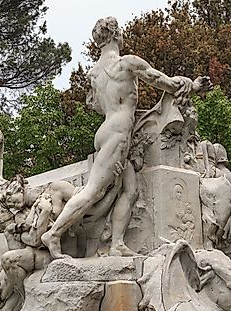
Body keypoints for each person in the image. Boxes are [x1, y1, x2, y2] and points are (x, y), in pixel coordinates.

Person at [41, 16, 209, 259]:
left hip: (107, 131)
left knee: (130, 191)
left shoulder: (95, 74)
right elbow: (160, 80)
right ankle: (54, 234)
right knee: (93, 191)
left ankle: (117, 243)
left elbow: (96, 106)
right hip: (118, 133)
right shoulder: (127, 63)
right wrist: (190, 86)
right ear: (115, 35)